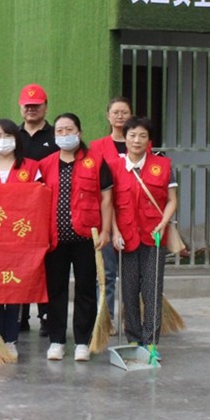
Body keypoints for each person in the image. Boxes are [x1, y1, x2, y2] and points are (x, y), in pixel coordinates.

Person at [38, 113, 112, 362]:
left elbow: (106, 198)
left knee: (85, 289)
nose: (64, 134)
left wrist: (106, 230)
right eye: (59, 131)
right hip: (55, 239)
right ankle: (56, 340)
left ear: (79, 133)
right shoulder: (45, 164)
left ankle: (82, 340)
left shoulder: (96, 160)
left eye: (69, 130)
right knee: (56, 290)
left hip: (86, 237)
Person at [0, 119, 42, 360]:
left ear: (17, 139)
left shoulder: (32, 167)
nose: (3, 141)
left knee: (14, 288)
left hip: (19, 239)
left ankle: (11, 339)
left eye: (8, 136)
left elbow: (38, 200)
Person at [111, 117, 178, 354]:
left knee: (152, 290)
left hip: (154, 237)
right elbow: (109, 205)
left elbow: (172, 201)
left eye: (142, 136)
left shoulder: (164, 166)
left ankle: (150, 342)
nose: (137, 140)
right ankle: (133, 338)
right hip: (126, 237)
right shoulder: (114, 167)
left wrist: (163, 223)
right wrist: (115, 232)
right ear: (125, 138)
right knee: (129, 291)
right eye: (132, 135)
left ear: (149, 140)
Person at [17, 83, 58, 335]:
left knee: (47, 265)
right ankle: (19, 316)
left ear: (46, 106)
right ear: (20, 107)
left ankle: (46, 316)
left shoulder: (56, 135)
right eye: (27, 106)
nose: (31, 109)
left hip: (47, 209)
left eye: (36, 105)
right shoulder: (12, 136)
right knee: (20, 265)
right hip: (17, 212)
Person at [91, 97, 134, 321]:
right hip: (105, 217)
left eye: (124, 112)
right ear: (108, 116)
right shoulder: (97, 147)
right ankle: (105, 320)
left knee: (132, 274)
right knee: (106, 273)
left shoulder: (138, 143)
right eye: (115, 112)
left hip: (133, 216)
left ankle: (132, 318)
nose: (120, 116)